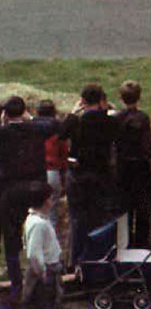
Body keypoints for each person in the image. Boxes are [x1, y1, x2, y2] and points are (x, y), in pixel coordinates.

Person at [0, 96, 57, 304]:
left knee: (12, 241)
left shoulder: (3, 133)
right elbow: (55, 124)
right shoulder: (35, 129)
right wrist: (30, 118)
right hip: (34, 190)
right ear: (24, 112)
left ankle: (17, 287)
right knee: (39, 238)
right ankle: (41, 285)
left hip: (10, 191)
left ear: (5, 114)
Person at [60, 84, 120, 266]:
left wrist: (72, 112)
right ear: (102, 101)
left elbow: (61, 133)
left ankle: (75, 261)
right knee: (101, 219)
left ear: (83, 101)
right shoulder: (109, 121)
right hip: (101, 176)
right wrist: (109, 109)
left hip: (80, 177)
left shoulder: (77, 122)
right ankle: (99, 259)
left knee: (78, 220)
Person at [22, 181, 62, 309]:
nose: (53, 200)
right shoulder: (38, 224)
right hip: (44, 275)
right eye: (52, 197)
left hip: (49, 272)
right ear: (46, 201)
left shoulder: (39, 219)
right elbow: (33, 254)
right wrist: (44, 273)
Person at [114, 81, 151, 249]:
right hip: (141, 169)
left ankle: (125, 243)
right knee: (143, 209)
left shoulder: (117, 118)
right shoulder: (143, 118)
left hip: (123, 168)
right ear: (139, 97)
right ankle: (142, 244)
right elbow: (147, 147)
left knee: (125, 209)